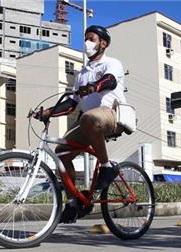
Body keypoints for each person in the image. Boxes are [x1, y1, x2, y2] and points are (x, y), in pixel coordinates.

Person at [30, 25, 126, 223]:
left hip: (111, 114)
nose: (87, 43)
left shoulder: (111, 63)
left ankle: (107, 167)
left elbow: (110, 82)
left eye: (91, 39)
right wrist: (47, 112)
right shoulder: (81, 74)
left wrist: (93, 87)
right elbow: (71, 104)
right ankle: (74, 201)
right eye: (86, 39)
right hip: (87, 121)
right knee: (61, 153)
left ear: (103, 43)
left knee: (89, 118)